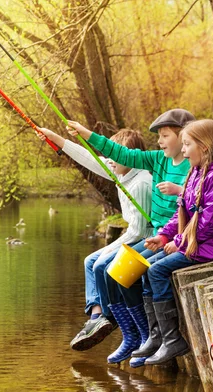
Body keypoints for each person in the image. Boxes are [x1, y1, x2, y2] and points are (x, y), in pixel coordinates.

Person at [64, 109, 193, 365]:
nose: (159, 141)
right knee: (116, 272)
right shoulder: (158, 160)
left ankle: (150, 336)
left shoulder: (192, 166)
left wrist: (180, 191)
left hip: (176, 239)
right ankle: (139, 336)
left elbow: (199, 202)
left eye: (165, 135)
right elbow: (122, 154)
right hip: (160, 236)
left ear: (183, 136)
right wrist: (85, 134)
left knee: (127, 271)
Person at [36, 127, 152, 352]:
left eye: (115, 156)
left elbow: (138, 232)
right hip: (135, 235)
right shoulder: (123, 172)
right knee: (90, 262)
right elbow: (88, 158)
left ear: (130, 156)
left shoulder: (141, 183)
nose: (110, 161)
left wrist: (110, 250)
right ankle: (97, 315)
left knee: (102, 265)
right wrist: (56, 138)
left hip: (145, 237)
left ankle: (116, 321)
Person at [140, 119, 213, 365]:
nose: (182, 150)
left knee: (157, 270)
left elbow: (208, 224)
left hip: (212, 246)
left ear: (203, 147)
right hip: (195, 241)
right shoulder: (195, 172)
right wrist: (164, 235)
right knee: (145, 266)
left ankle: (173, 339)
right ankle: (158, 336)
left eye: (186, 144)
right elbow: (182, 211)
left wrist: (180, 242)